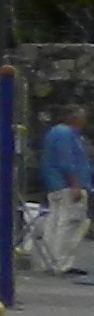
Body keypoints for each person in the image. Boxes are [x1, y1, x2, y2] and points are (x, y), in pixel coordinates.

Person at [42, 109, 92, 277]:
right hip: (68, 186)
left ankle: (49, 260)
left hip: (54, 185)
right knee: (71, 224)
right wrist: (75, 184)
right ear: (76, 119)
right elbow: (67, 161)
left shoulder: (53, 132)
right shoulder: (66, 134)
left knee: (54, 222)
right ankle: (62, 262)